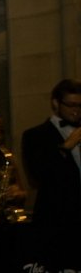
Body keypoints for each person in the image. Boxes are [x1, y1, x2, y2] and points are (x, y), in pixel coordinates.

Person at [21, 78, 81, 226]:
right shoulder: (35, 135)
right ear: (56, 103)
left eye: (80, 106)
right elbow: (37, 175)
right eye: (71, 105)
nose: (77, 110)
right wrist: (66, 147)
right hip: (59, 220)